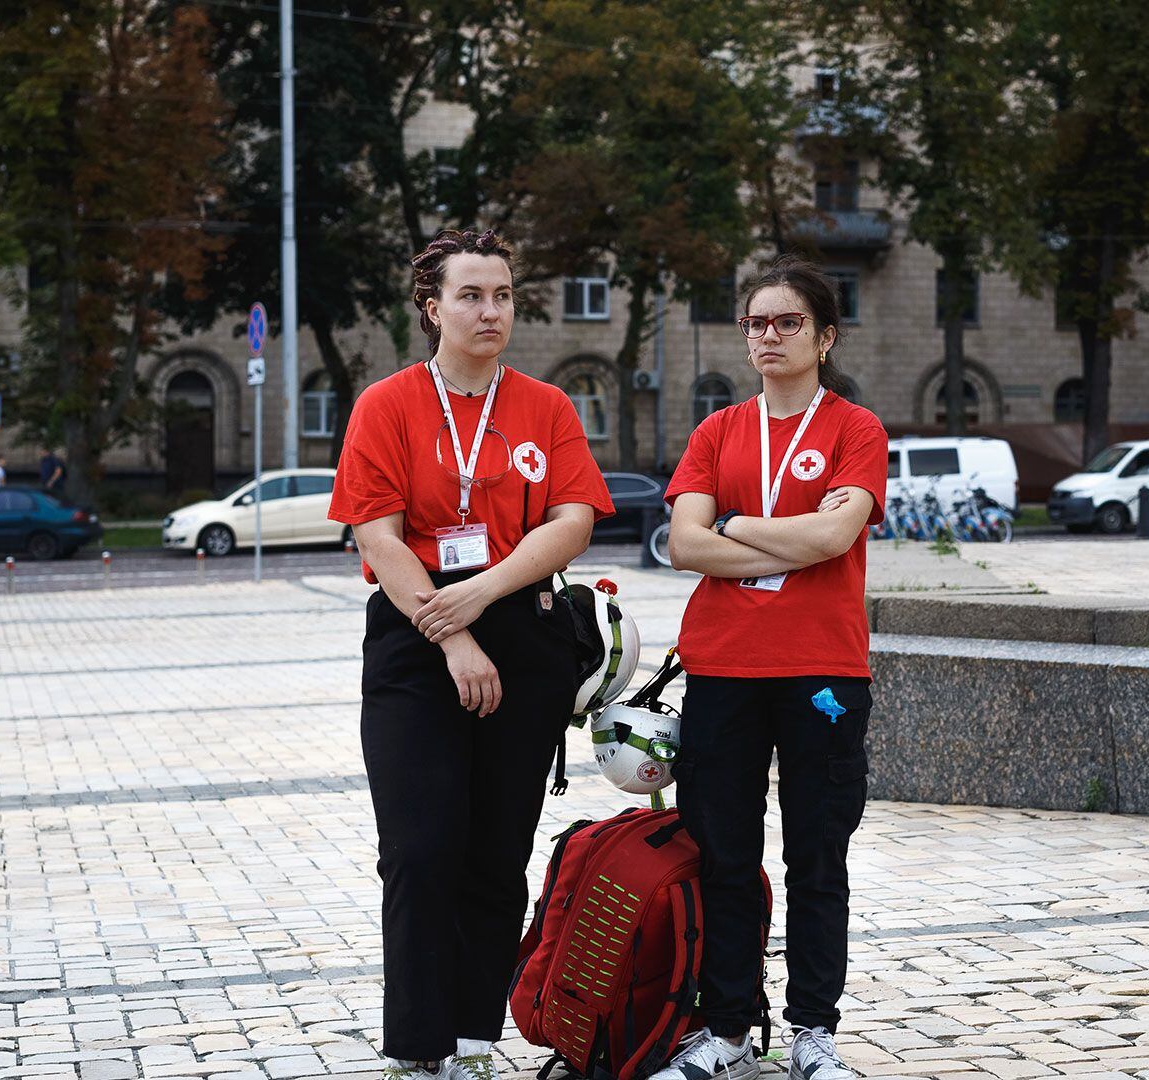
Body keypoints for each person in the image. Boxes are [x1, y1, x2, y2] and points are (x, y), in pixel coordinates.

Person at [327, 229, 615, 1080]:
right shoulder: (388, 404)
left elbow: (573, 521)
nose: (491, 311)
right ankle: (417, 1049)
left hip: (522, 633)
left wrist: (483, 595)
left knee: (496, 852)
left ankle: (472, 1040)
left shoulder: (545, 406)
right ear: (433, 309)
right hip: (416, 640)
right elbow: (377, 534)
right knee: (419, 849)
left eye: (503, 295)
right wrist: (452, 634)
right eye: (471, 296)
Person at [652, 256, 887, 1080]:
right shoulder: (717, 432)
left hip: (822, 672)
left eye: (787, 322)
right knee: (723, 857)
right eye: (756, 322)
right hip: (723, 669)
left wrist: (737, 523)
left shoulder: (853, 429)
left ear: (824, 337)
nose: (768, 336)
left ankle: (813, 1032)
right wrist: (776, 529)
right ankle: (727, 1030)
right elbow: (684, 543)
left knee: (817, 856)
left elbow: (833, 541)